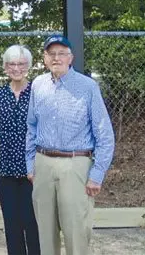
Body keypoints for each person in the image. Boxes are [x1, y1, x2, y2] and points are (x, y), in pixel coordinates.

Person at [26, 35, 115, 255]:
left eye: (62, 53)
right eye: (52, 53)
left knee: (76, 230)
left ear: (71, 58)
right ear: (45, 58)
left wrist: (97, 174)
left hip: (76, 165)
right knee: (45, 233)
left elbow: (104, 133)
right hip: (43, 163)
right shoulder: (38, 85)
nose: (57, 58)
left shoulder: (87, 87)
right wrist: (31, 164)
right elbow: (31, 126)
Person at [0, 45, 40, 255]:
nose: (16, 68)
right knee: (11, 222)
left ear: (28, 66)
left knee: (32, 221)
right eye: (12, 64)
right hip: (5, 166)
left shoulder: (37, 91)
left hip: (32, 167)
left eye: (21, 63)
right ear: (5, 67)